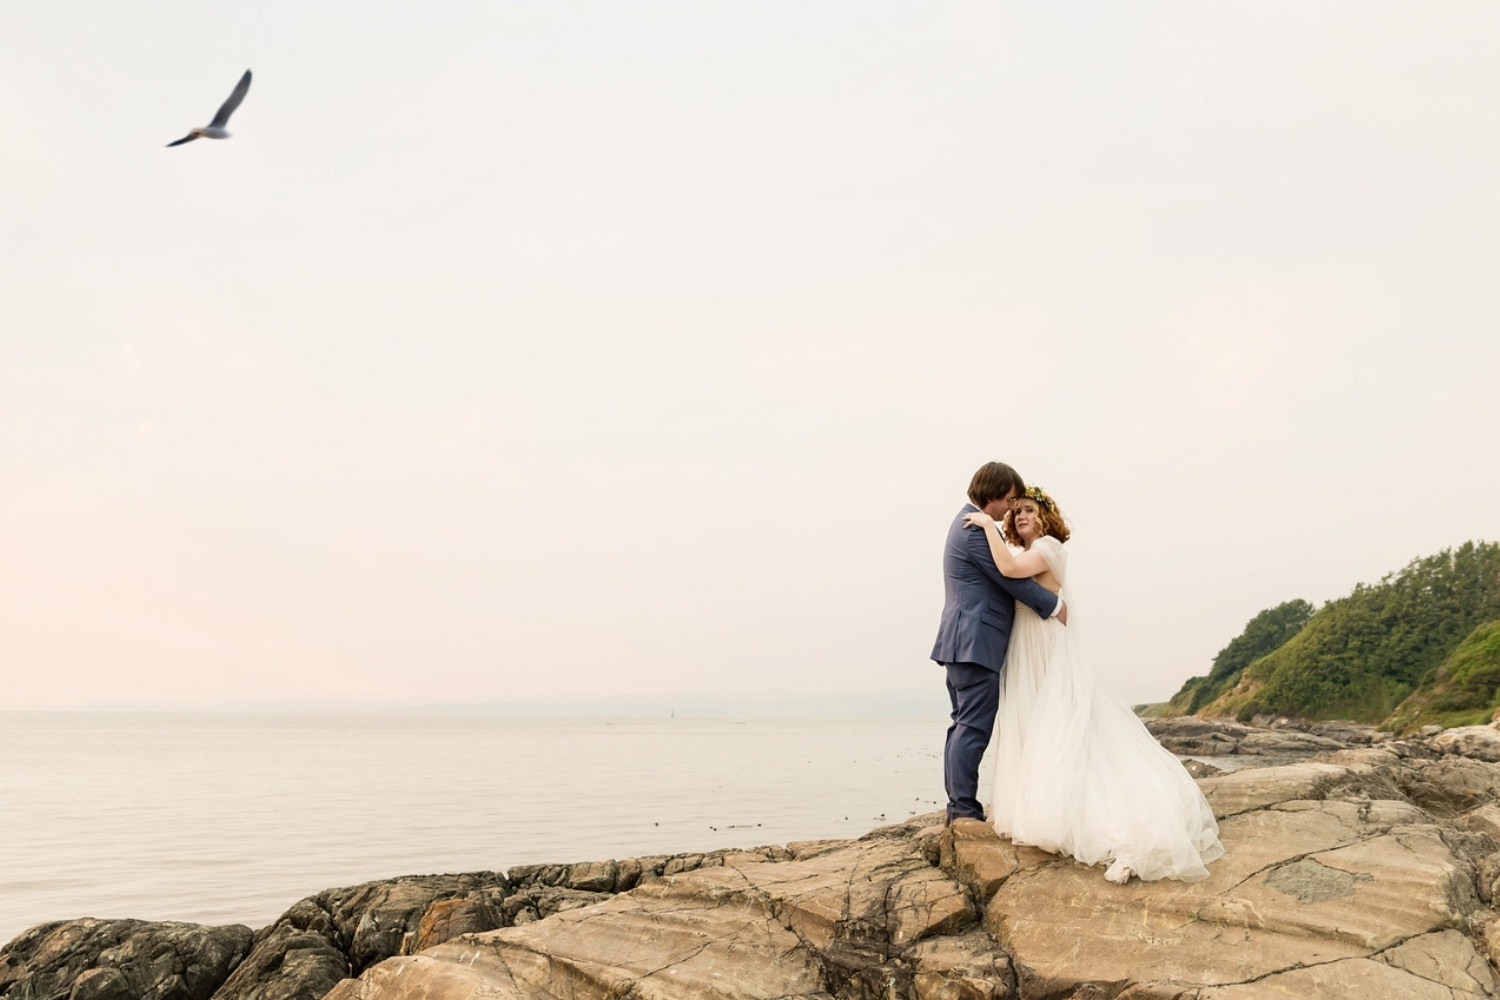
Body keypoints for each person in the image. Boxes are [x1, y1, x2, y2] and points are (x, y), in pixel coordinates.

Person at [964, 486, 1224, 883]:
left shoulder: (1049, 547)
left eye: (1029, 511)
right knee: (1034, 722)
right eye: (1016, 512)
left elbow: (1010, 572)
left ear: (1046, 517)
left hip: (1044, 644)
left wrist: (987, 526)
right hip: (1026, 643)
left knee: (1054, 722)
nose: (1020, 517)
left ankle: (1109, 831)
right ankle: (1036, 803)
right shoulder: (1027, 550)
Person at [931, 462, 1066, 826]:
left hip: (966, 640)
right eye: (1009, 499)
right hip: (974, 641)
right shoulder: (973, 529)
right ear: (992, 494)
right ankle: (962, 809)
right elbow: (1008, 579)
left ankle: (959, 806)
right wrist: (1053, 605)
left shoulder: (972, 524)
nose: (1011, 508)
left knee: (963, 724)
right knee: (972, 726)